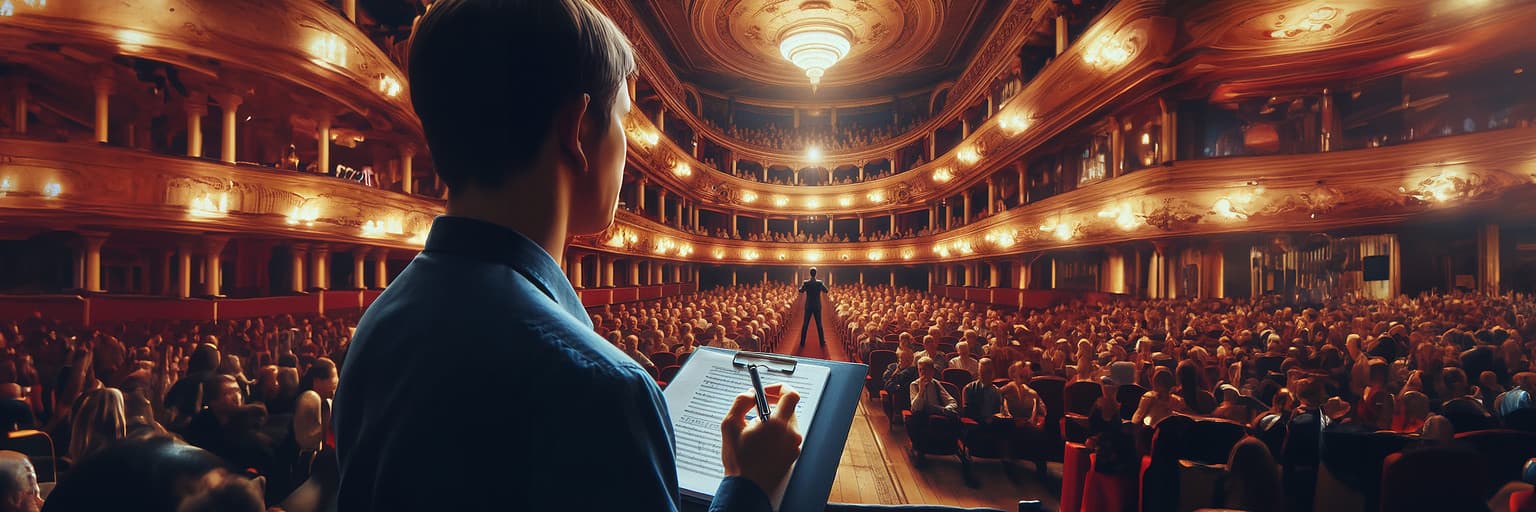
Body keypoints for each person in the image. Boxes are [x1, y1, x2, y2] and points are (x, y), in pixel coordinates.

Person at [333, 2, 803, 510]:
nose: (625, 146)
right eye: (622, 119)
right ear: (577, 131)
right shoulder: (604, 390)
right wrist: (747, 486)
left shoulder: (377, 328)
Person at [798, 268, 830, 348]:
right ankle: (822, 342)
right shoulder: (819, 283)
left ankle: (802, 342)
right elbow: (826, 291)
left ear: (810, 274)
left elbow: (801, 291)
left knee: (805, 324)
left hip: (808, 305)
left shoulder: (806, 283)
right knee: (819, 324)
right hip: (817, 305)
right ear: (816, 274)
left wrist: (801, 286)